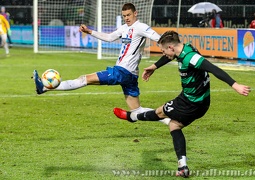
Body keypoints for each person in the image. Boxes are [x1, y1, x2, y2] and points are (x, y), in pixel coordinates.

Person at [113, 30, 251, 177]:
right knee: (174, 125)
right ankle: (182, 166)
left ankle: (131, 117)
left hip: (190, 102)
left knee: (160, 112)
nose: (164, 54)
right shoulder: (185, 48)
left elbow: (213, 68)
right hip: (202, 101)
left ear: (171, 48)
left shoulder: (190, 57)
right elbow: (171, 56)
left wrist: (234, 85)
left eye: (164, 51)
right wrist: (154, 66)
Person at [32, 3, 170, 123]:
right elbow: (109, 37)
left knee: (85, 79)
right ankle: (168, 119)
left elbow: (159, 38)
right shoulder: (124, 28)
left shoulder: (141, 27)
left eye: (129, 15)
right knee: (137, 110)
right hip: (129, 74)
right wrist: (90, 31)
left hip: (122, 72)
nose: (127, 18)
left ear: (135, 13)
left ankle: (44, 88)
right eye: (124, 16)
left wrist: (167, 48)